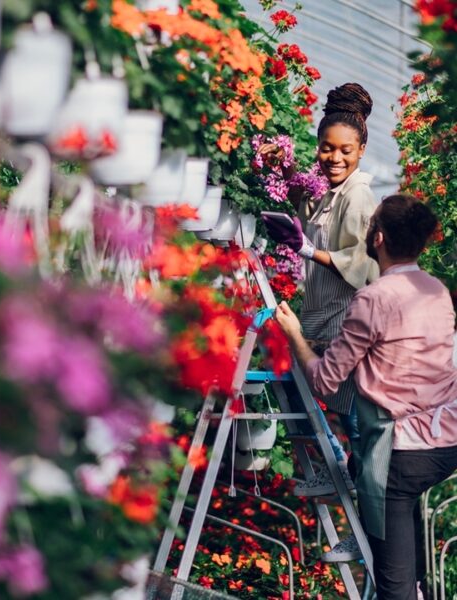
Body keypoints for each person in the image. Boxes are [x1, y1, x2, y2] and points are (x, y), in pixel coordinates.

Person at [275, 194, 457, 600]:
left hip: (402, 454)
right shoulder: (437, 291)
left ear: (376, 237)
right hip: (448, 442)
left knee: (394, 585)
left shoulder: (374, 298)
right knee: (409, 564)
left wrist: (296, 337)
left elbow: (324, 381)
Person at [260, 82, 379, 496]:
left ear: (361, 150)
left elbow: (362, 264)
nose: (335, 157)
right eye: (327, 148)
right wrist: (281, 172)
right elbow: (305, 205)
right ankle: (334, 475)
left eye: (346, 150)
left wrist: (309, 251)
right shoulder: (329, 192)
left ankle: (375, 544)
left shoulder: (358, 196)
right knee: (303, 389)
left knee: (361, 432)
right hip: (324, 319)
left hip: (350, 327)